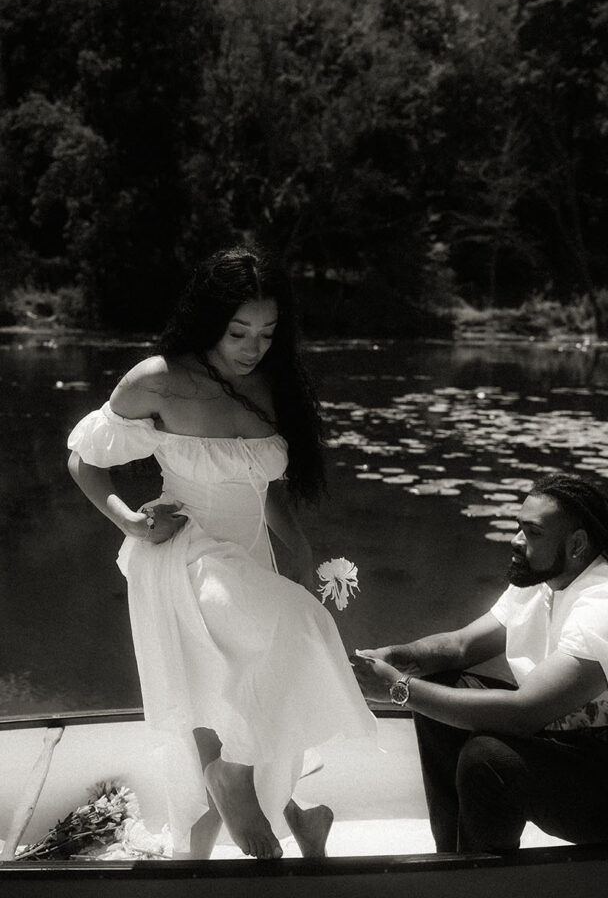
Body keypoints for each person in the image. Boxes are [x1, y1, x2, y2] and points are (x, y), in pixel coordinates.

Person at [67, 246, 376, 861]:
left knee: (228, 703)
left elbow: (269, 494)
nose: (253, 346)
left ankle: (278, 822)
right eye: (238, 331)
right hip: (183, 551)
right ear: (208, 320)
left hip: (249, 557)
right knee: (289, 631)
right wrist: (129, 521)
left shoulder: (275, 386)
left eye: (266, 332)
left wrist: (301, 552)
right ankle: (251, 795)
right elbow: (84, 460)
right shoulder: (158, 379)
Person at [354, 473, 608, 853]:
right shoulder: (542, 582)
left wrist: (397, 689)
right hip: (584, 752)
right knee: (443, 689)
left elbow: (525, 712)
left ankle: (480, 884)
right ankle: (454, 862)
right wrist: (395, 657)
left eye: (532, 533)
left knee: (487, 758)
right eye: (519, 529)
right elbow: (458, 647)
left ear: (578, 544)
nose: (517, 542)